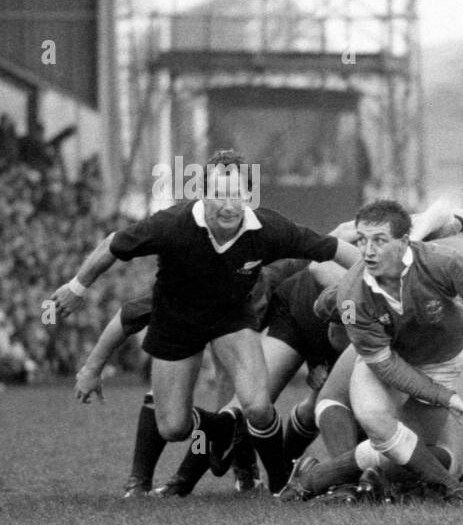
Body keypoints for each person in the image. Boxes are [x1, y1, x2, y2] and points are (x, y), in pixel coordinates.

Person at [50, 149, 360, 494]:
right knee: (174, 427)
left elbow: (330, 248)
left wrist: (376, 277)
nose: (228, 205)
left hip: (233, 322)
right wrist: (77, 292)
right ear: (202, 193)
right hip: (177, 324)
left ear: (247, 195)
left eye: (236, 195)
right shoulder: (171, 226)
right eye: (218, 195)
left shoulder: (267, 231)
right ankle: (192, 453)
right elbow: (114, 252)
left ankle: (277, 484)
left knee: (256, 407)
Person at [279, 200, 463, 503]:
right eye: (362, 241)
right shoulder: (351, 293)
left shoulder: (447, 258)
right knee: (370, 415)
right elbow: (382, 362)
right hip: (389, 353)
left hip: (447, 356)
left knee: (436, 457)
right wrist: (443, 396)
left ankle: (325, 476)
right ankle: (449, 489)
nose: (368, 250)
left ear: (405, 241)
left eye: (379, 241)